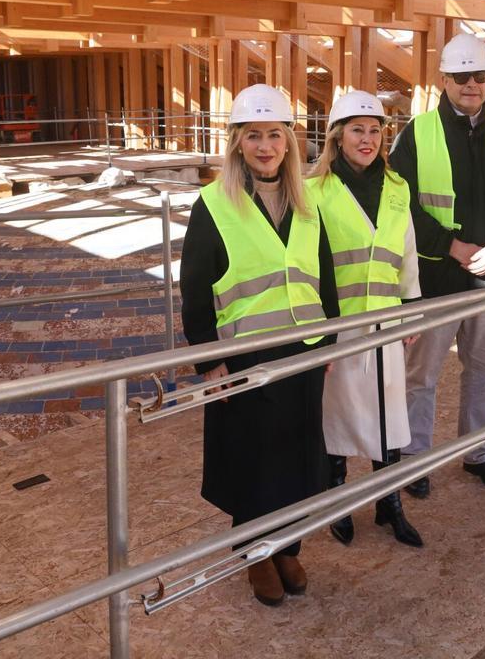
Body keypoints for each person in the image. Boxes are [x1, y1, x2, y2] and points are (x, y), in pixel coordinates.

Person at [180, 83, 339, 608]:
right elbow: (196, 288)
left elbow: (324, 275)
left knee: (298, 456)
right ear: (237, 143)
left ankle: (288, 545)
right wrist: (209, 364)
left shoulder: (306, 200)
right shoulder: (213, 205)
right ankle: (254, 553)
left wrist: (330, 342)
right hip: (247, 353)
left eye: (275, 135)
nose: (266, 146)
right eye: (254, 136)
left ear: (289, 142)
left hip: (304, 347)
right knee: (255, 460)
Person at [389, 33, 485, 498]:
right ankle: (414, 460)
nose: (471, 84)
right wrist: (451, 246)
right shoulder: (417, 135)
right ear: (443, 80)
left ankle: (481, 453)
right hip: (436, 281)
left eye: (479, 75)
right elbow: (399, 205)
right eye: (461, 76)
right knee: (421, 377)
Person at [309, 90, 423, 549]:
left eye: (375, 130)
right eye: (358, 129)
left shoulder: (397, 189)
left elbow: (407, 252)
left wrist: (412, 308)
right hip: (340, 323)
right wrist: (318, 331)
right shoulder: (315, 191)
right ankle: (338, 500)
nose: (368, 138)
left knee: (388, 413)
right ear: (337, 136)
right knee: (337, 415)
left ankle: (388, 503)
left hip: (386, 321)